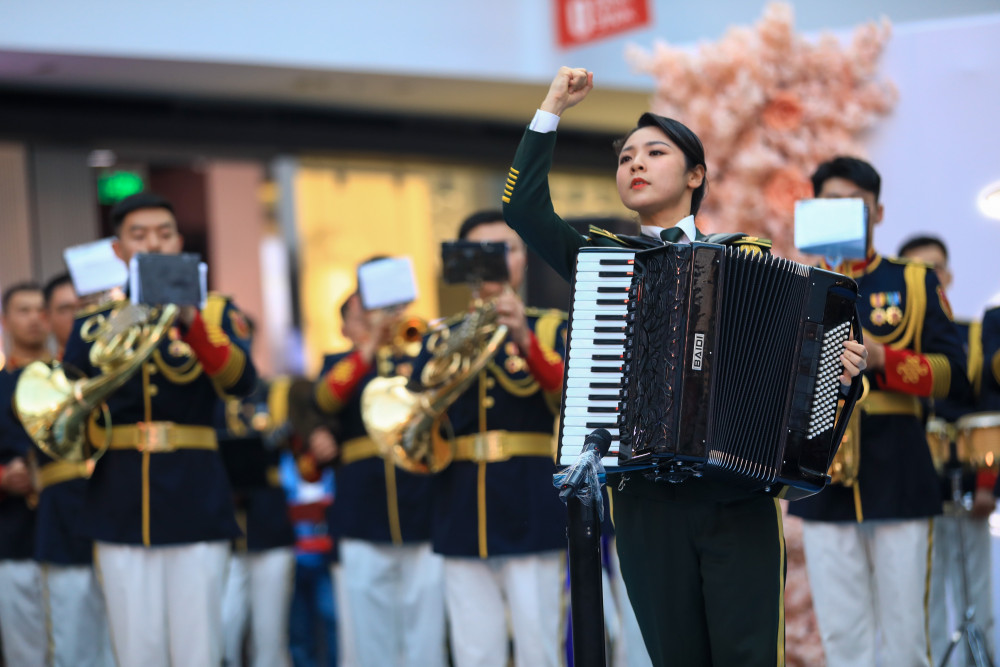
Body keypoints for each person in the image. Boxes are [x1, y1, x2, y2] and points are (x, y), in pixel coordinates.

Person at [500, 67, 868, 666]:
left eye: (654, 152)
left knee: (749, 658)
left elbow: (806, 375)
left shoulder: (747, 256)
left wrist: (843, 373)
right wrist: (552, 106)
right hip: (645, 505)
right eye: (625, 158)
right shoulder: (602, 260)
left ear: (696, 175)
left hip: (738, 498)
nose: (635, 164)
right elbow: (522, 207)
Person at [62, 191, 258, 666]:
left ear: (179, 242)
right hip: (121, 499)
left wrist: (189, 316)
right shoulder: (96, 321)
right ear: (118, 249)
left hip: (196, 496)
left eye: (164, 234)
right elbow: (72, 401)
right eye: (139, 235)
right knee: (136, 647)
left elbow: (239, 382)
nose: (153, 242)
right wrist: (123, 320)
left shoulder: (213, 311)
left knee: (200, 647)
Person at [788, 160, 972, 667]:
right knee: (843, 638)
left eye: (854, 202)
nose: (841, 212)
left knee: (907, 637)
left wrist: (880, 357)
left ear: (879, 211)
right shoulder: (797, 280)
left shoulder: (912, 281)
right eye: (828, 203)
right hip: (822, 472)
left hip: (899, 471)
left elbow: (954, 374)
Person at [406, 210, 568, 667]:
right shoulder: (439, 336)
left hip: (530, 503)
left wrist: (522, 336)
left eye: (507, 250)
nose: (496, 263)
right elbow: (416, 411)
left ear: (523, 261)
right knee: (475, 651)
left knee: (540, 644)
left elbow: (568, 400)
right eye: (481, 253)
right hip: (459, 506)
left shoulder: (550, 326)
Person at [312, 288, 445, 667]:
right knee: (368, 637)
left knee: (427, 633)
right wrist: (367, 348)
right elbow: (324, 400)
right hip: (362, 510)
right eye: (365, 312)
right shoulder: (340, 362)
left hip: (421, 508)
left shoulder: (419, 357)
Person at [898, 235, 995, 666]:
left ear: (948, 276)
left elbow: (991, 414)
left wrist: (990, 485)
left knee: (976, 586)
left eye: (935, 268)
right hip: (911, 490)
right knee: (924, 594)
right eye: (918, 270)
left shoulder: (977, 336)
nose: (929, 277)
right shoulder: (894, 342)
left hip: (967, 487)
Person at [33, 272, 115, 667]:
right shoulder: (31, 381)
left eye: (85, 308)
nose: (79, 318)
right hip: (63, 523)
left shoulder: (118, 372)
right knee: (73, 646)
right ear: (48, 318)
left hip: (121, 516)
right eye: (67, 310)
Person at [218, 377, 298, 667]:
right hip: (226, 529)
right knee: (224, 625)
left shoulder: (273, 391)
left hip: (269, 522)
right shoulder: (211, 394)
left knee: (270, 633)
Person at [0, 282, 48, 667]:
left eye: (41, 310)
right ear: (5, 321)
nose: (35, 318)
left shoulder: (72, 380)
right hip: (13, 536)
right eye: (24, 310)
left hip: (75, 532)